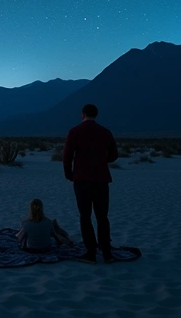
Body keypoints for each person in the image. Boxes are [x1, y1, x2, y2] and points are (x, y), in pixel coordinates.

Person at [63, 103, 119, 264]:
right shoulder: (105, 132)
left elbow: (67, 156)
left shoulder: (75, 131)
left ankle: (91, 252)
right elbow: (114, 155)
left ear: (82, 114)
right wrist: (101, 160)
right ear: (96, 114)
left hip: (81, 179)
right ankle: (107, 252)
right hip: (101, 180)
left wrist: (69, 174)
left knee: (85, 216)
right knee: (102, 216)